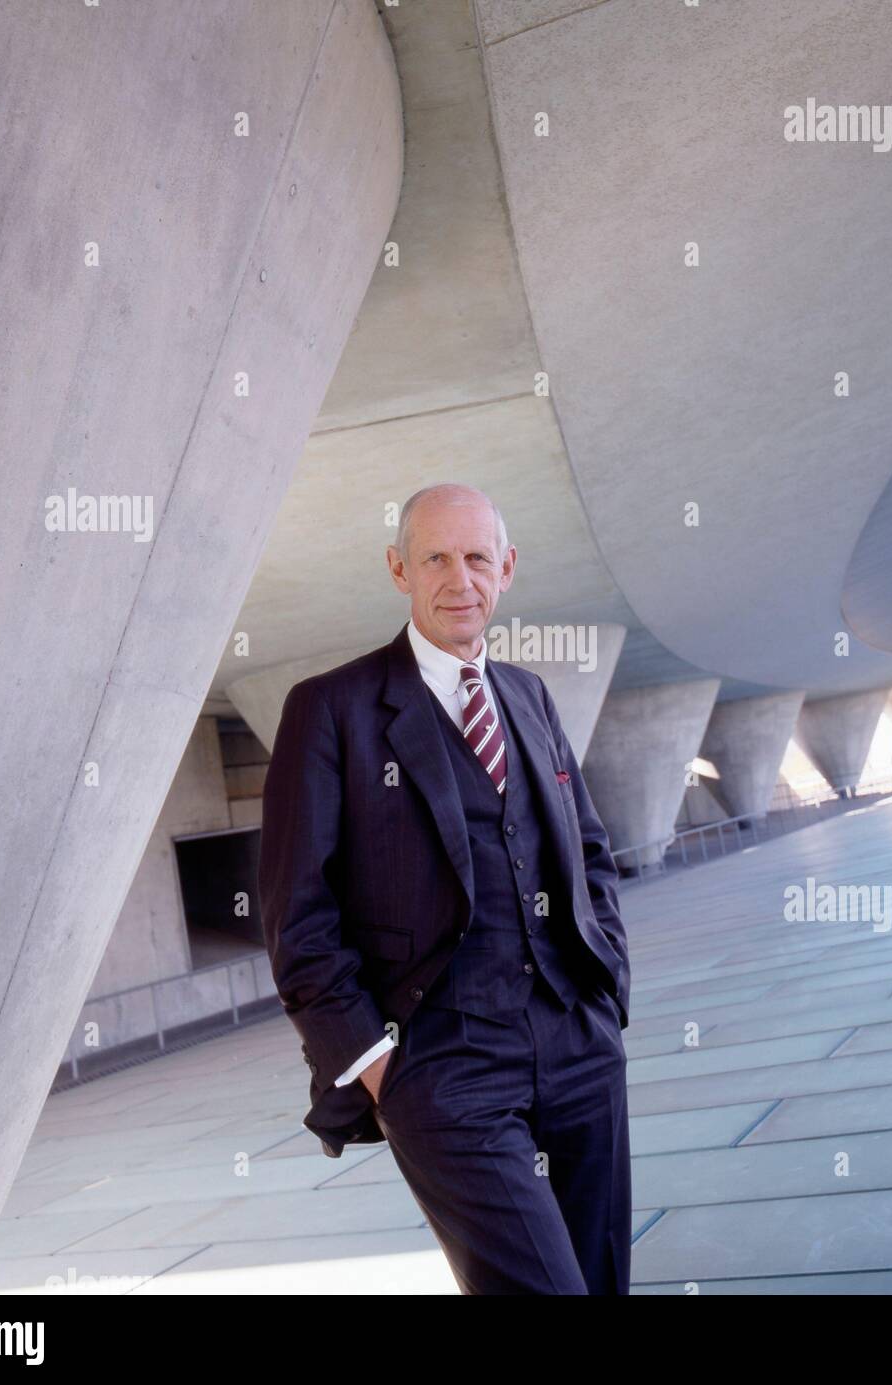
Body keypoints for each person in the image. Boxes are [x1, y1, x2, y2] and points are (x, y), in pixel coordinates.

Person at [258, 482, 632, 1295]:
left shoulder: (530, 696)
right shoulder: (331, 710)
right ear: (398, 567)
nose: (458, 578)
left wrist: (607, 998)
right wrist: (378, 1066)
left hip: (578, 1045)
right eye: (435, 557)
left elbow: (591, 852)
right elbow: (298, 917)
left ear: (506, 568)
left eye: (475, 557)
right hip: (442, 1068)